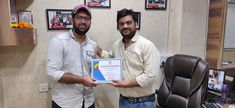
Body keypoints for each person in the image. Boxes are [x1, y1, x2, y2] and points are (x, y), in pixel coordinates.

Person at [99, 8, 161, 108]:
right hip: (124, 101)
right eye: (121, 24)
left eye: (128, 23)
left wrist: (124, 83)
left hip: (144, 103)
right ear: (118, 27)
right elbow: (111, 58)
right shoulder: (117, 45)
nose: (125, 26)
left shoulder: (147, 45)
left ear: (136, 24)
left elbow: (151, 76)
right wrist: (95, 48)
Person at [47, 4, 100, 108]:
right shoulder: (58, 41)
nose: (83, 21)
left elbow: (94, 70)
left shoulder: (93, 45)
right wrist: (82, 80)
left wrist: (103, 76)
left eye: (87, 18)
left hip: (88, 101)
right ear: (72, 20)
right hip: (65, 103)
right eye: (79, 17)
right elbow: (52, 73)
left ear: (90, 22)